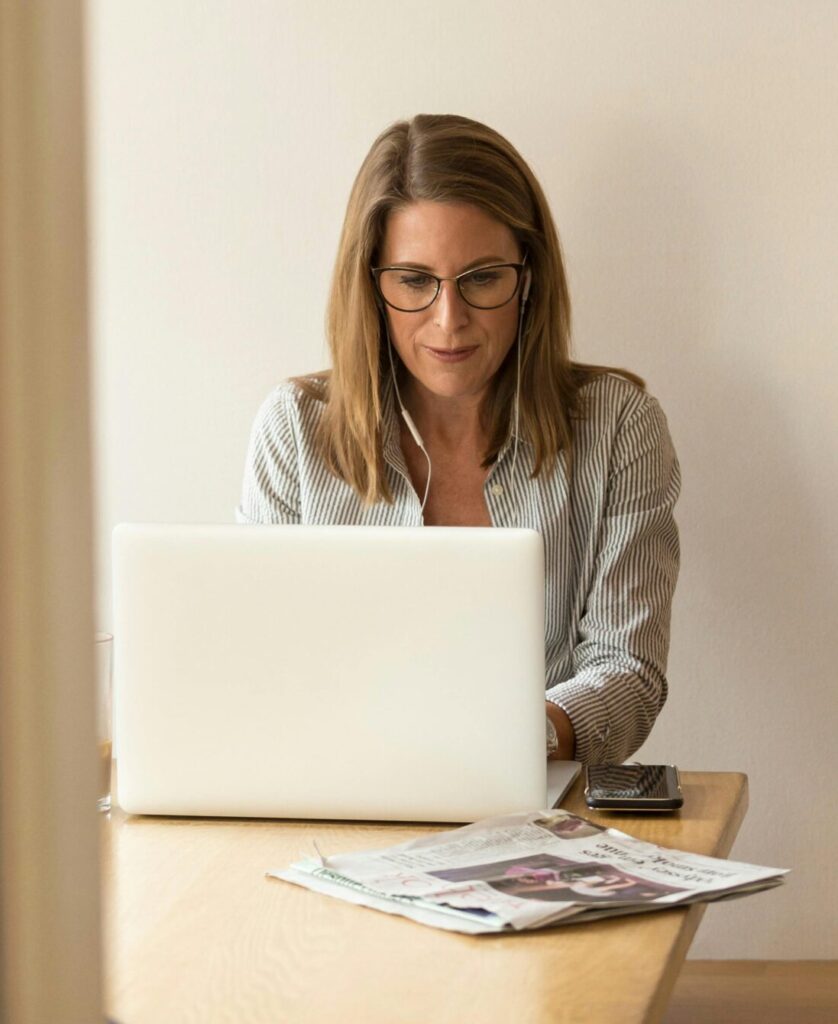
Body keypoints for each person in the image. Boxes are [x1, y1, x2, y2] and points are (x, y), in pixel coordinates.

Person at [238, 113, 680, 764]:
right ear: (371, 284)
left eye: (481, 278)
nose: (450, 321)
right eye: (415, 281)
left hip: (541, 815)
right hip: (336, 800)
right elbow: (262, 667)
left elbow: (628, 671)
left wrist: (509, 742)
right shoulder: (295, 429)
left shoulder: (618, 426)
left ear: (527, 276)